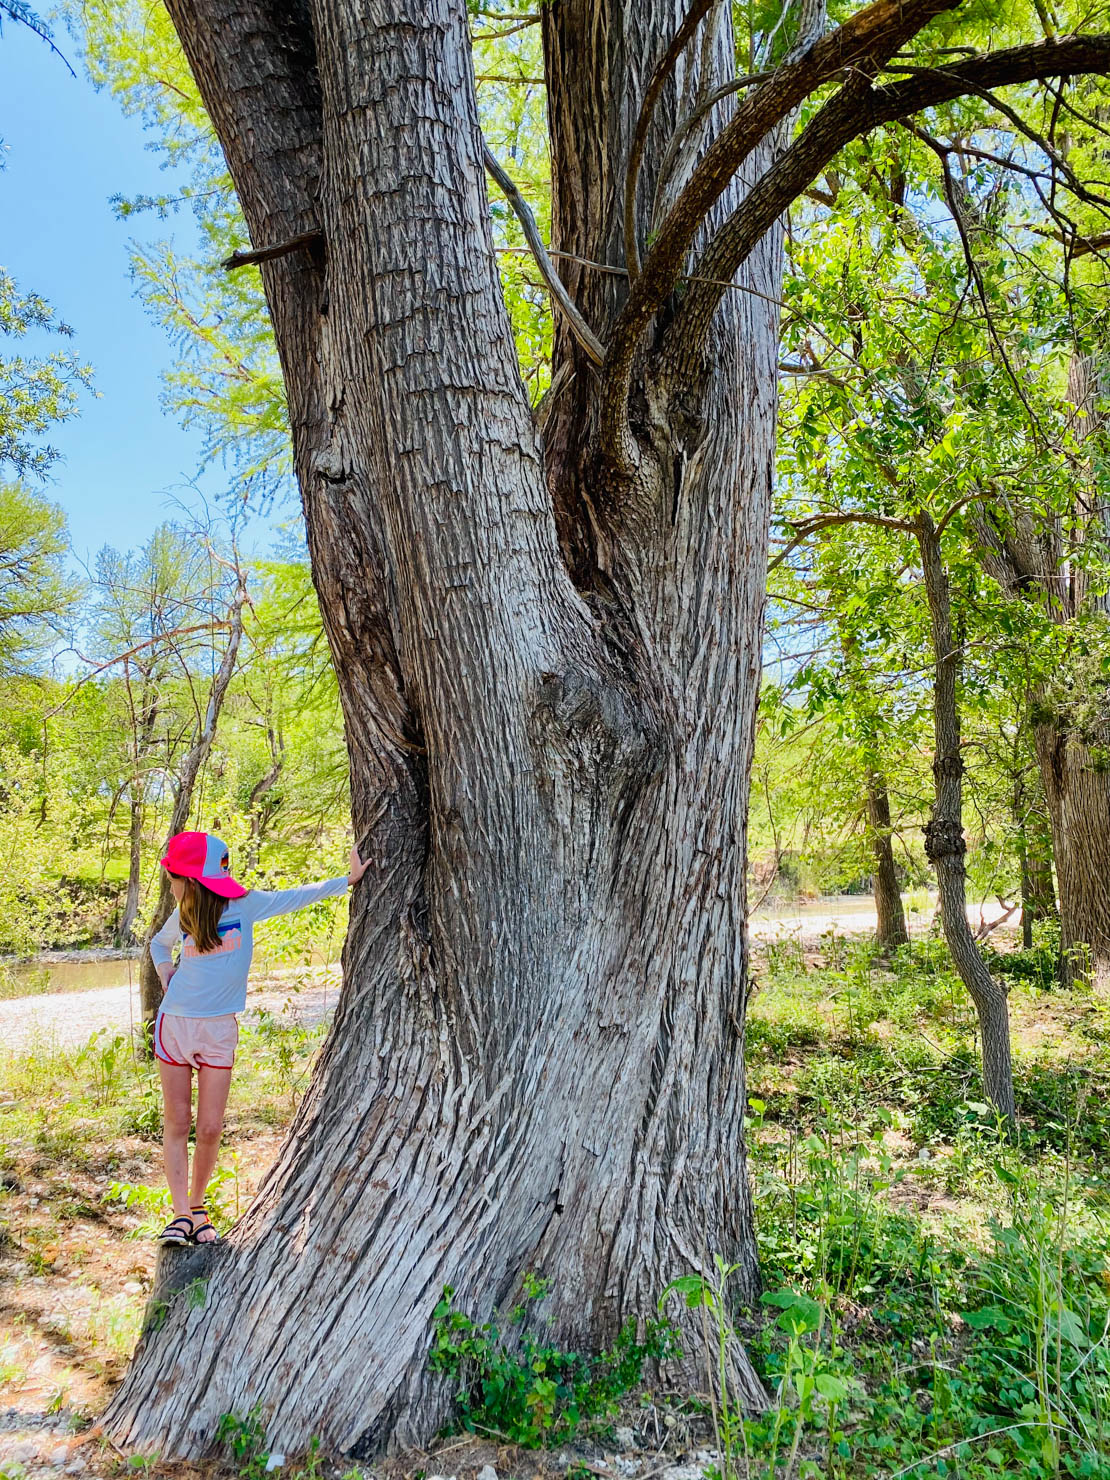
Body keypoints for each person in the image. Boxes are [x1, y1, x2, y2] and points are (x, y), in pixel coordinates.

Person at [149, 830, 369, 1245]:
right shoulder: (183, 914)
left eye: (173, 877)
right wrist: (165, 972)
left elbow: (295, 896)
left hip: (219, 1029)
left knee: (211, 1126)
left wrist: (347, 880)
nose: (172, 884)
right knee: (178, 1121)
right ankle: (178, 1216)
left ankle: (197, 1207)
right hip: (174, 1024)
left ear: (191, 880)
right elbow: (159, 947)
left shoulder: (244, 905)